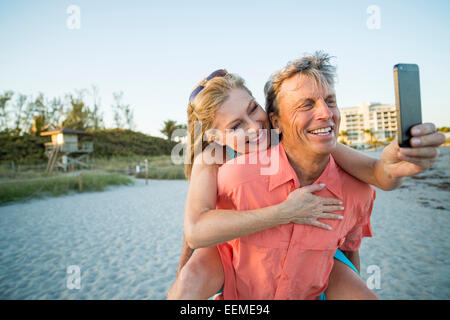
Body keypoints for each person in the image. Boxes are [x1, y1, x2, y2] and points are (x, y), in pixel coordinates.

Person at [167, 54, 444, 299]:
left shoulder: (297, 138)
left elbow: (378, 174)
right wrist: (285, 212)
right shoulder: (214, 159)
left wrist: (397, 165)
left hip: (314, 245)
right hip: (242, 249)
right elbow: (194, 230)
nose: (255, 127)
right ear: (217, 136)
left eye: (253, 109)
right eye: (237, 125)